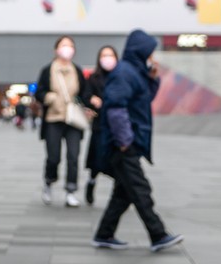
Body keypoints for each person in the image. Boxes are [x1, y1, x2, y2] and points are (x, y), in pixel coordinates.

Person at [92, 29, 183, 253]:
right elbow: (115, 108)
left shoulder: (135, 73)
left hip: (128, 142)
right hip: (122, 145)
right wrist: (124, 141)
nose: (152, 57)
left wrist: (152, 80)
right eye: (150, 52)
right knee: (141, 189)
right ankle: (158, 234)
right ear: (141, 52)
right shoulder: (124, 73)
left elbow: (142, 101)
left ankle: (104, 234)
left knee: (123, 193)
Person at [34, 36, 87, 208]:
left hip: (73, 119)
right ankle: (49, 182)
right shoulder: (48, 69)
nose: (67, 49)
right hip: (53, 118)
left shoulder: (76, 70)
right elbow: (39, 91)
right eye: (64, 45)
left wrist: (87, 102)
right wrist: (48, 97)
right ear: (56, 49)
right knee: (53, 156)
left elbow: (84, 93)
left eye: (70, 46)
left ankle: (71, 190)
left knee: (73, 155)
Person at [81, 45, 118, 206]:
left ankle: (119, 191)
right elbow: (85, 95)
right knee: (96, 160)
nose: (107, 58)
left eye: (110, 55)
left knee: (116, 161)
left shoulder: (120, 77)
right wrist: (92, 101)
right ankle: (91, 182)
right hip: (99, 124)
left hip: (116, 126)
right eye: (104, 55)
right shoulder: (94, 78)